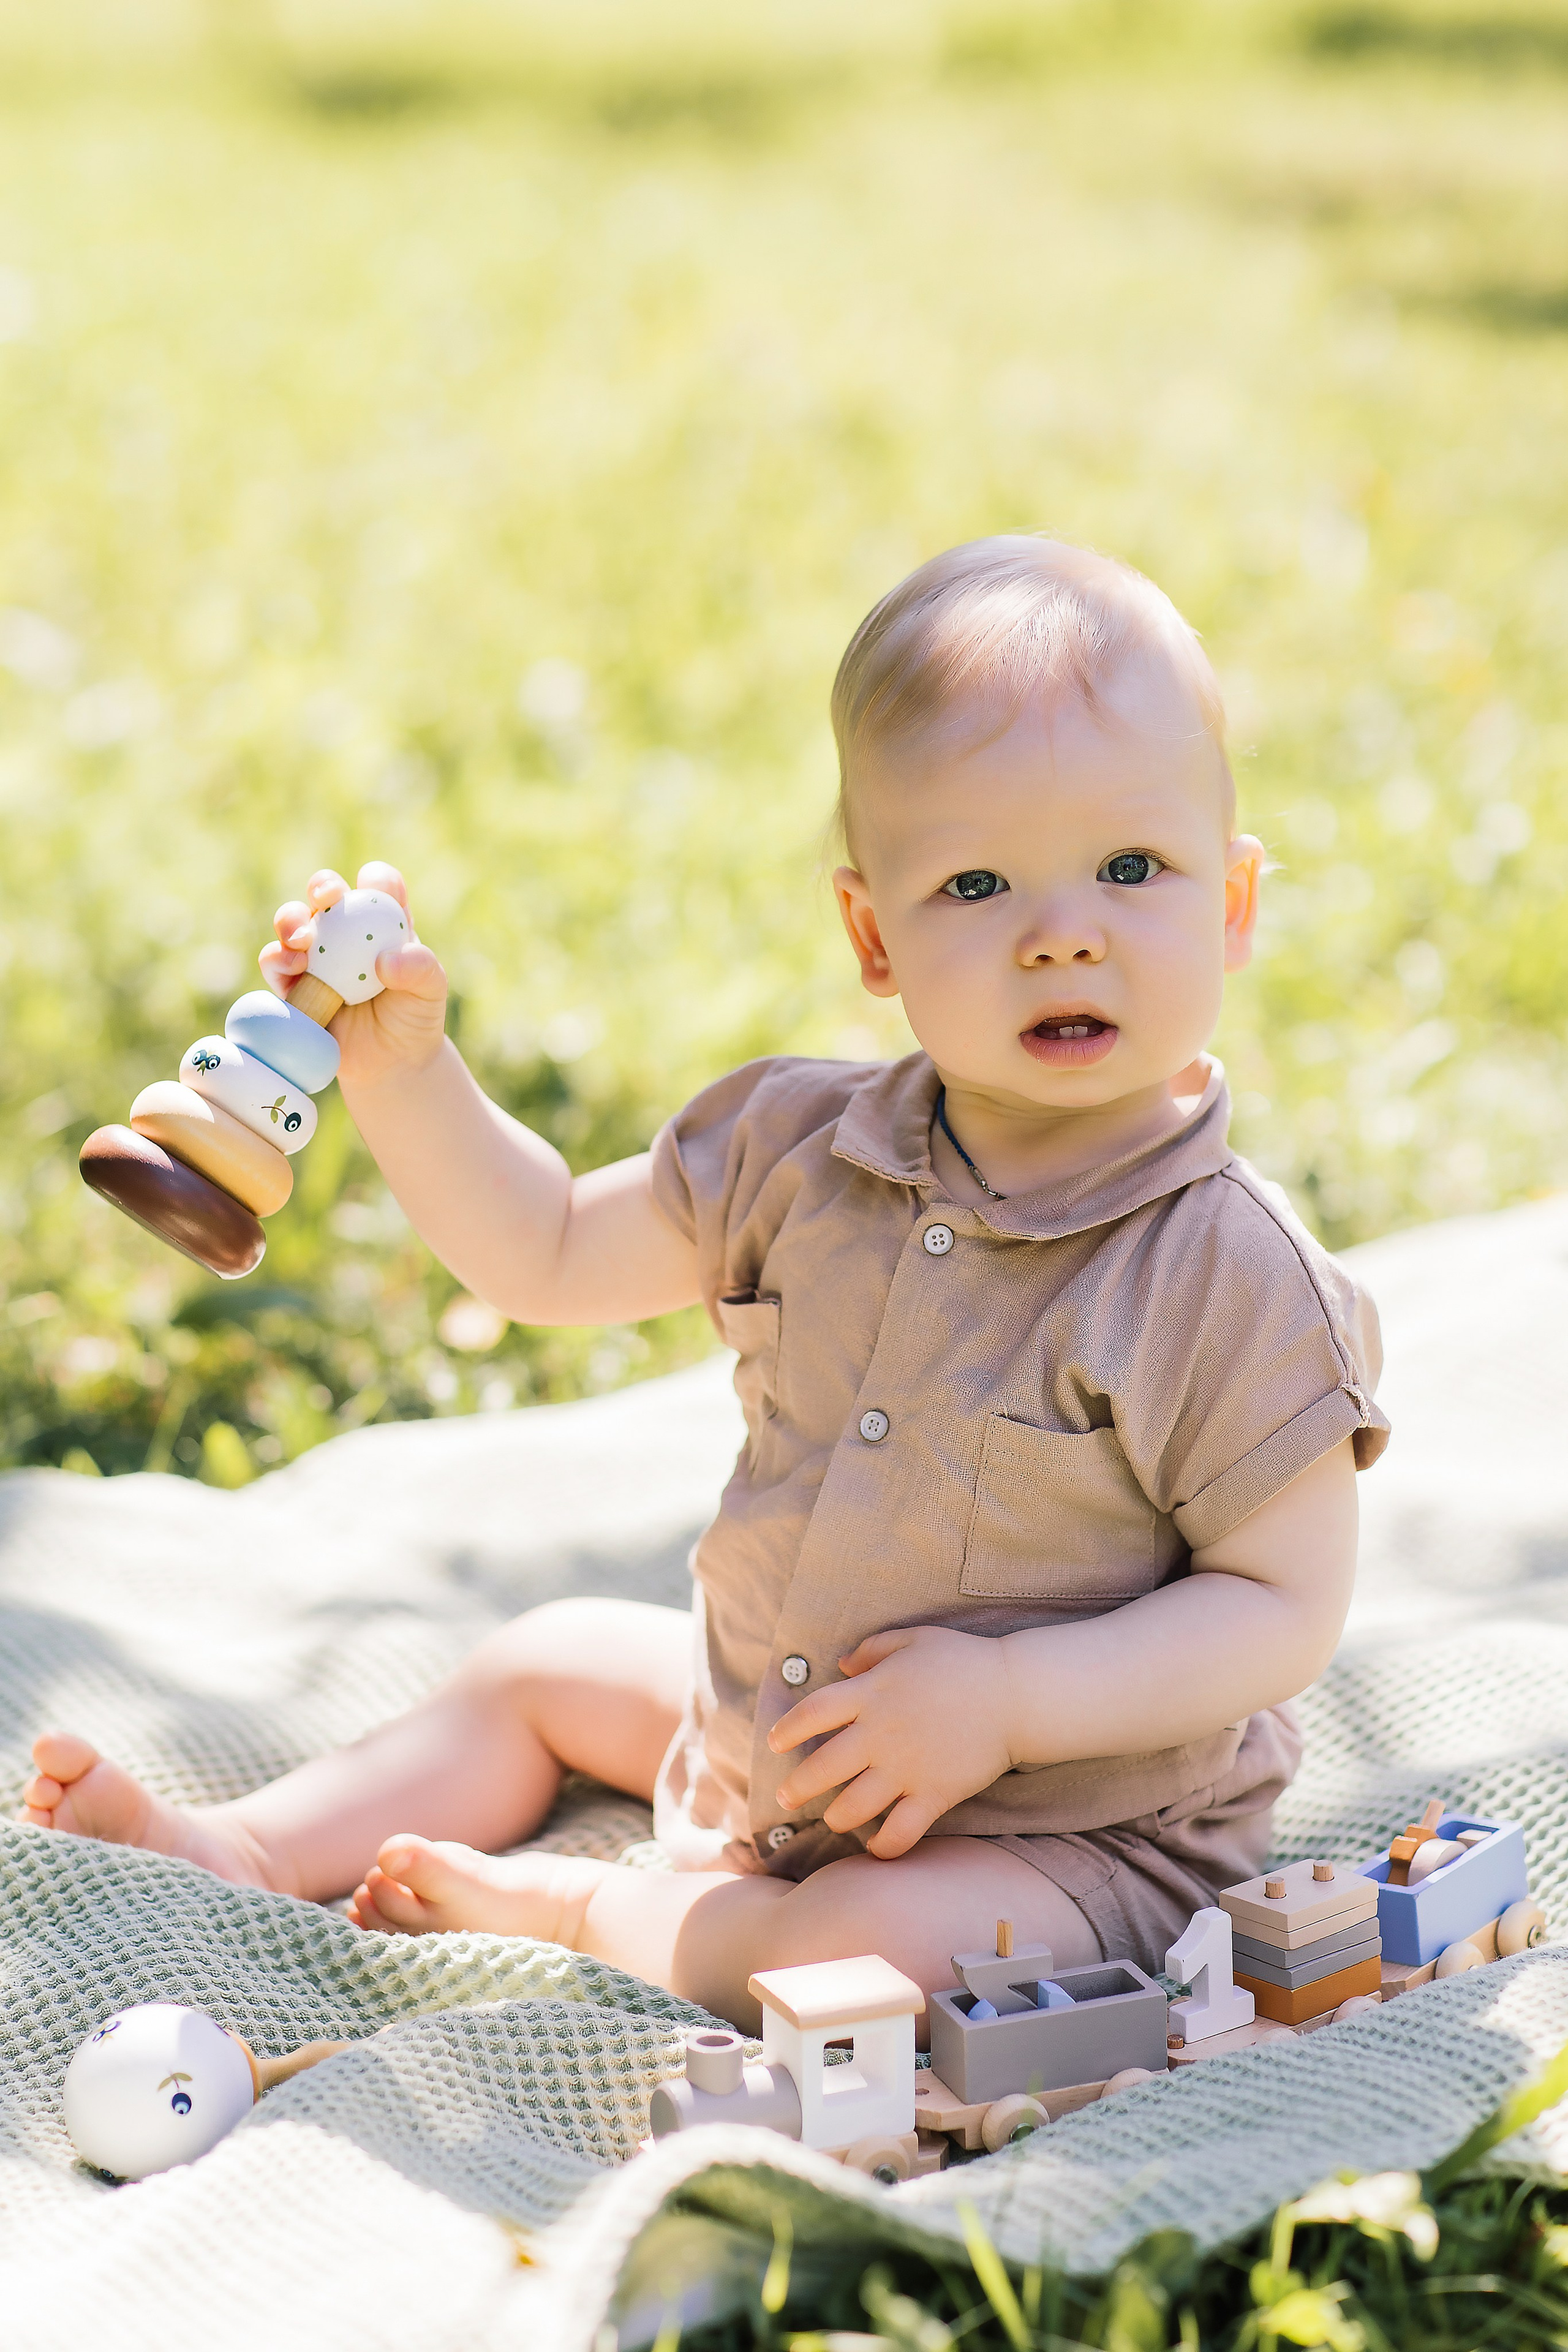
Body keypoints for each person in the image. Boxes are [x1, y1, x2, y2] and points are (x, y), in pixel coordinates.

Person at [21, 536, 1389, 2035]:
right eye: (975, 882)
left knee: (863, 1952)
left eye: (1130, 868)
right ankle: (249, 1848)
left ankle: (581, 1910)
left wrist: (1006, 1705)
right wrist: (406, 1072)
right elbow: (543, 1248)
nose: (1061, 931)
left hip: (1067, 1834)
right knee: (540, 1664)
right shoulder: (792, 1151)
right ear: (873, 934)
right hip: (764, 1736)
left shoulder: (1223, 1275)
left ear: (1232, 903)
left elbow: (1277, 1606)